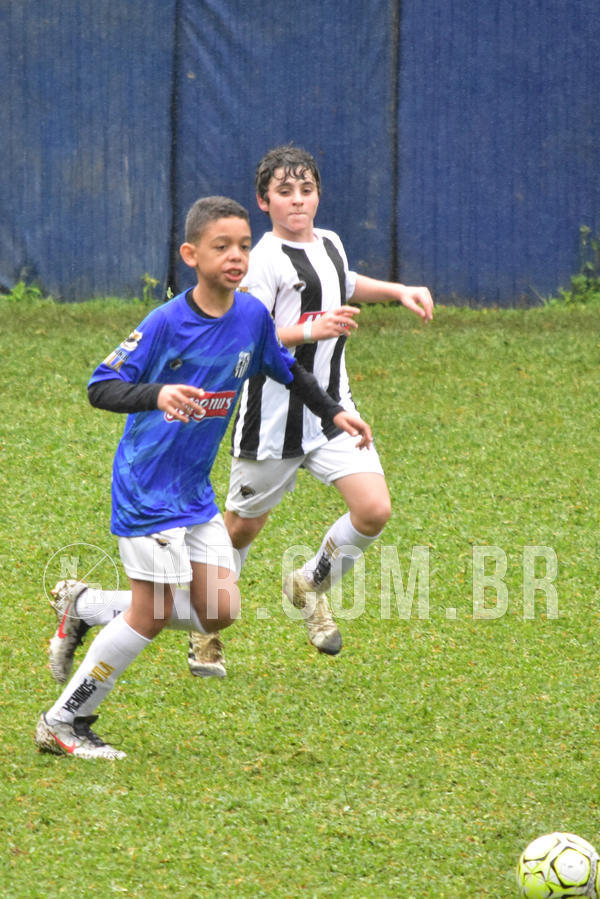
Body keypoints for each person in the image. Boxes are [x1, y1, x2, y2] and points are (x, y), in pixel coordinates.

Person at [35, 195, 372, 759]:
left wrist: (334, 411)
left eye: (243, 245)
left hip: (192, 493)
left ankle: (88, 607)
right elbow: (100, 386)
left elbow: (288, 371)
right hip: (147, 488)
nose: (237, 256)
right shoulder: (166, 322)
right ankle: (64, 721)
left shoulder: (250, 317)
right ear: (191, 254)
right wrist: (158, 392)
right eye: (222, 247)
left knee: (220, 611)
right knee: (151, 613)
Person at [188, 145, 433, 676]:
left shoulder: (331, 242)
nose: (297, 201)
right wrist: (307, 329)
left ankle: (306, 584)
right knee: (240, 531)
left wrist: (399, 290)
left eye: (306, 190)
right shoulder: (263, 261)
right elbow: (246, 336)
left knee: (374, 510)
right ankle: (207, 629)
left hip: (332, 411)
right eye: (284, 192)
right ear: (263, 201)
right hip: (272, 419)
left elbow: (346, 283)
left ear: (318, 194)